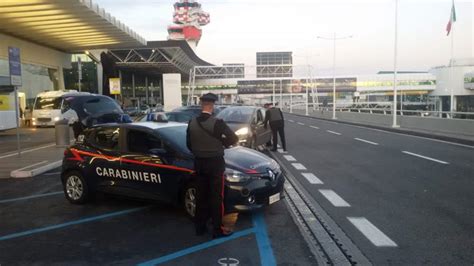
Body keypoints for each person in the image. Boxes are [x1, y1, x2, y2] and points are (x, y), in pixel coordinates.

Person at [186, 93, 238, 238]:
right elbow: (234, 138)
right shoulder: (218, 123)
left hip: (199, 163)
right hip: (215, 164)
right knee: (216, 197)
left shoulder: (192, 122)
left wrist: (199, 152)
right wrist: (222, 144)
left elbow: (189, 144)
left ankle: (200, 228)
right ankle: (217, 229)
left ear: (202, 105)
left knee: (200, 196)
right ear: (212, 106)